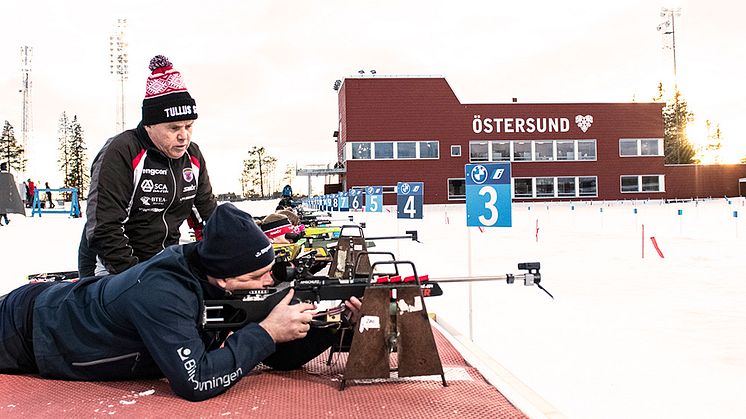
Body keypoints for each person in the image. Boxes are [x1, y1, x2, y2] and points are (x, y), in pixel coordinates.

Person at [0, 203, 362, 401]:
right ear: (222, 279)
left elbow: (278, 357)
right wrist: (266, 332)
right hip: (26, 327)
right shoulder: (163, 293)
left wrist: (335, 326)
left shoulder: (222, 276)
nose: (269, 282)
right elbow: (196, 382)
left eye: (269, 270)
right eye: (255, 278)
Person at [78, 55, 217, 277]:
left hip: (164, 259)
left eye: (189, 126)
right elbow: (104, 228)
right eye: (174, 128)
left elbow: (208, 215)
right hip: (111, 265)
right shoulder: (122, 151)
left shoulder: (192, 156)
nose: (184, 136)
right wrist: (136, 278)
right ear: (150, 124)